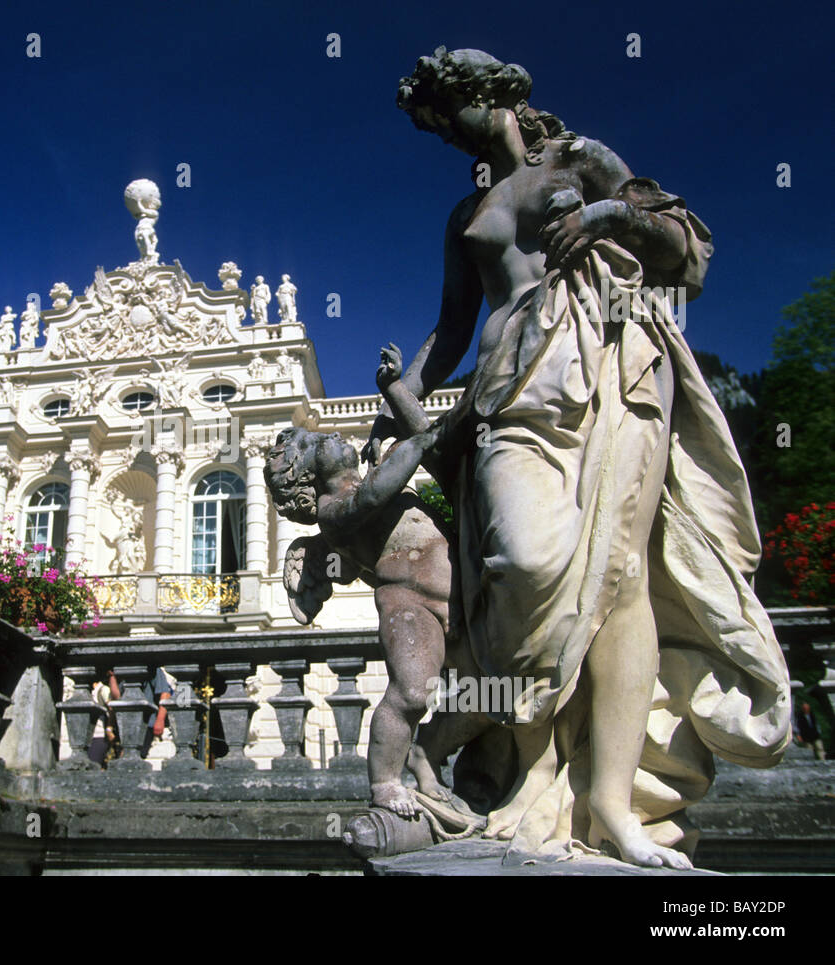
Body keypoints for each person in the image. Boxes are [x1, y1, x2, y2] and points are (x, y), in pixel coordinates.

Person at [366, 47, 790, 868]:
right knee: (525, 565)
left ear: (489, 97)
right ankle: (490, 745)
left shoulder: (582, 159)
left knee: (619, 574)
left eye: (446, 116)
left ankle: (610, 806)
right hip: (508, 394)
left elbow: (682, 251)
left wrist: (605, 219)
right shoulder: (465, 216)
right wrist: (403, 390)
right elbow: (453, 327)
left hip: (606, 369)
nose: (446, 135)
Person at [266, 345, 473, 820]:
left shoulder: (371, 470)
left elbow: (407, 441)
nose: (334, 434)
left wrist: (394, 388)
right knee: (411, 691)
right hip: (410, 601)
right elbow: (383, 487)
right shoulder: (335, 513)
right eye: (318, 442)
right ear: (308, 475)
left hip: (457, 591)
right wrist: (422, 441)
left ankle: (426, 759)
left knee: (482, 687)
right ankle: (384, 781)